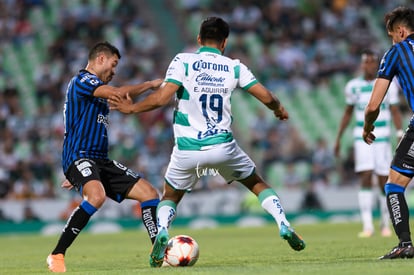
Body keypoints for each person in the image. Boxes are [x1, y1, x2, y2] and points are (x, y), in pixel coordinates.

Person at [110, 16, 306, 268]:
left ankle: (162, 231)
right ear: (224, 43)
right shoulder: (234, 66)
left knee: (170, 195)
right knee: (256, 183)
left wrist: (132, 109)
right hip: (222, 147)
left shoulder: (184, 60)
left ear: (199, 39)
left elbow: (161, 99)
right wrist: (278, 108)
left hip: (187, 149)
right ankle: (283, 224)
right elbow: (265, 95)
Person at [46, 41, 163, 272]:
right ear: (100, 59)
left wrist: (83, 176)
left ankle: (159, 252)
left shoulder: (97, 92)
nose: (114, 70)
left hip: (99, 160)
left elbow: (113, 102)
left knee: (149, 193)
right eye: (113, 63)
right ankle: (57, 254)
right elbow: (120, 93)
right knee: (97, 197)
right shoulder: (83, 80)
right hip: (80, 156)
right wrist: (150, 84)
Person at [334, 49, 403, 238]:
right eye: (366, 62)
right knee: (365, 176)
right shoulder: (352, 86)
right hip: (361, 137)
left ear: (377, 64)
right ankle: (367, 225)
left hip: (382, 136)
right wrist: (339, 137)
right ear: (362, 64)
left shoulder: (387, 84)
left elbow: (395, 111)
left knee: (382, 179)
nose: (370, 65)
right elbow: (348, 112)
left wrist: (399, 133)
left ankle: (384, 223)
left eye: (373, 62)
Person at [363, 6, 414, 259]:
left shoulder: (397, 52)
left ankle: (405, 244)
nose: (392, 40)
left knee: (394, 185)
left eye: (392, 35)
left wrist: (367, 126)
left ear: (401, 31)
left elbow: (374, 105)